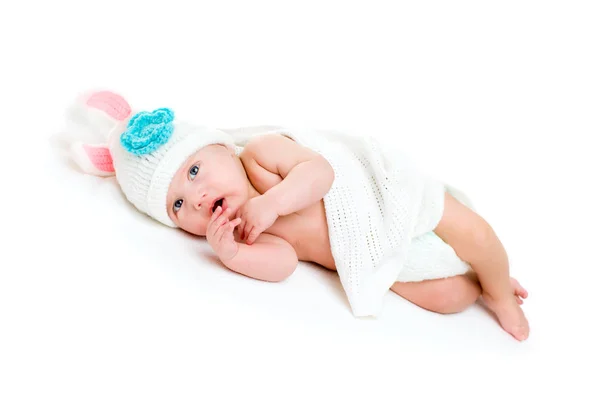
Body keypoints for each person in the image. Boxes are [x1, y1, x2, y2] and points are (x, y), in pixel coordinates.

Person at [57, 90, 529, 341]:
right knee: (448, 296)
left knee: (472, 231)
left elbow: (319, 173)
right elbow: (283, 261)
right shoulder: (238, 231)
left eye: (195, 170)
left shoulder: (259, 157)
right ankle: (483, 284)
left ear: (220, 146)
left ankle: (499, 285)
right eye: (178, 205)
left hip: (384, 199)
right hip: (367, 251)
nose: (197, 198)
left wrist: (273, 202)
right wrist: (234, 255)